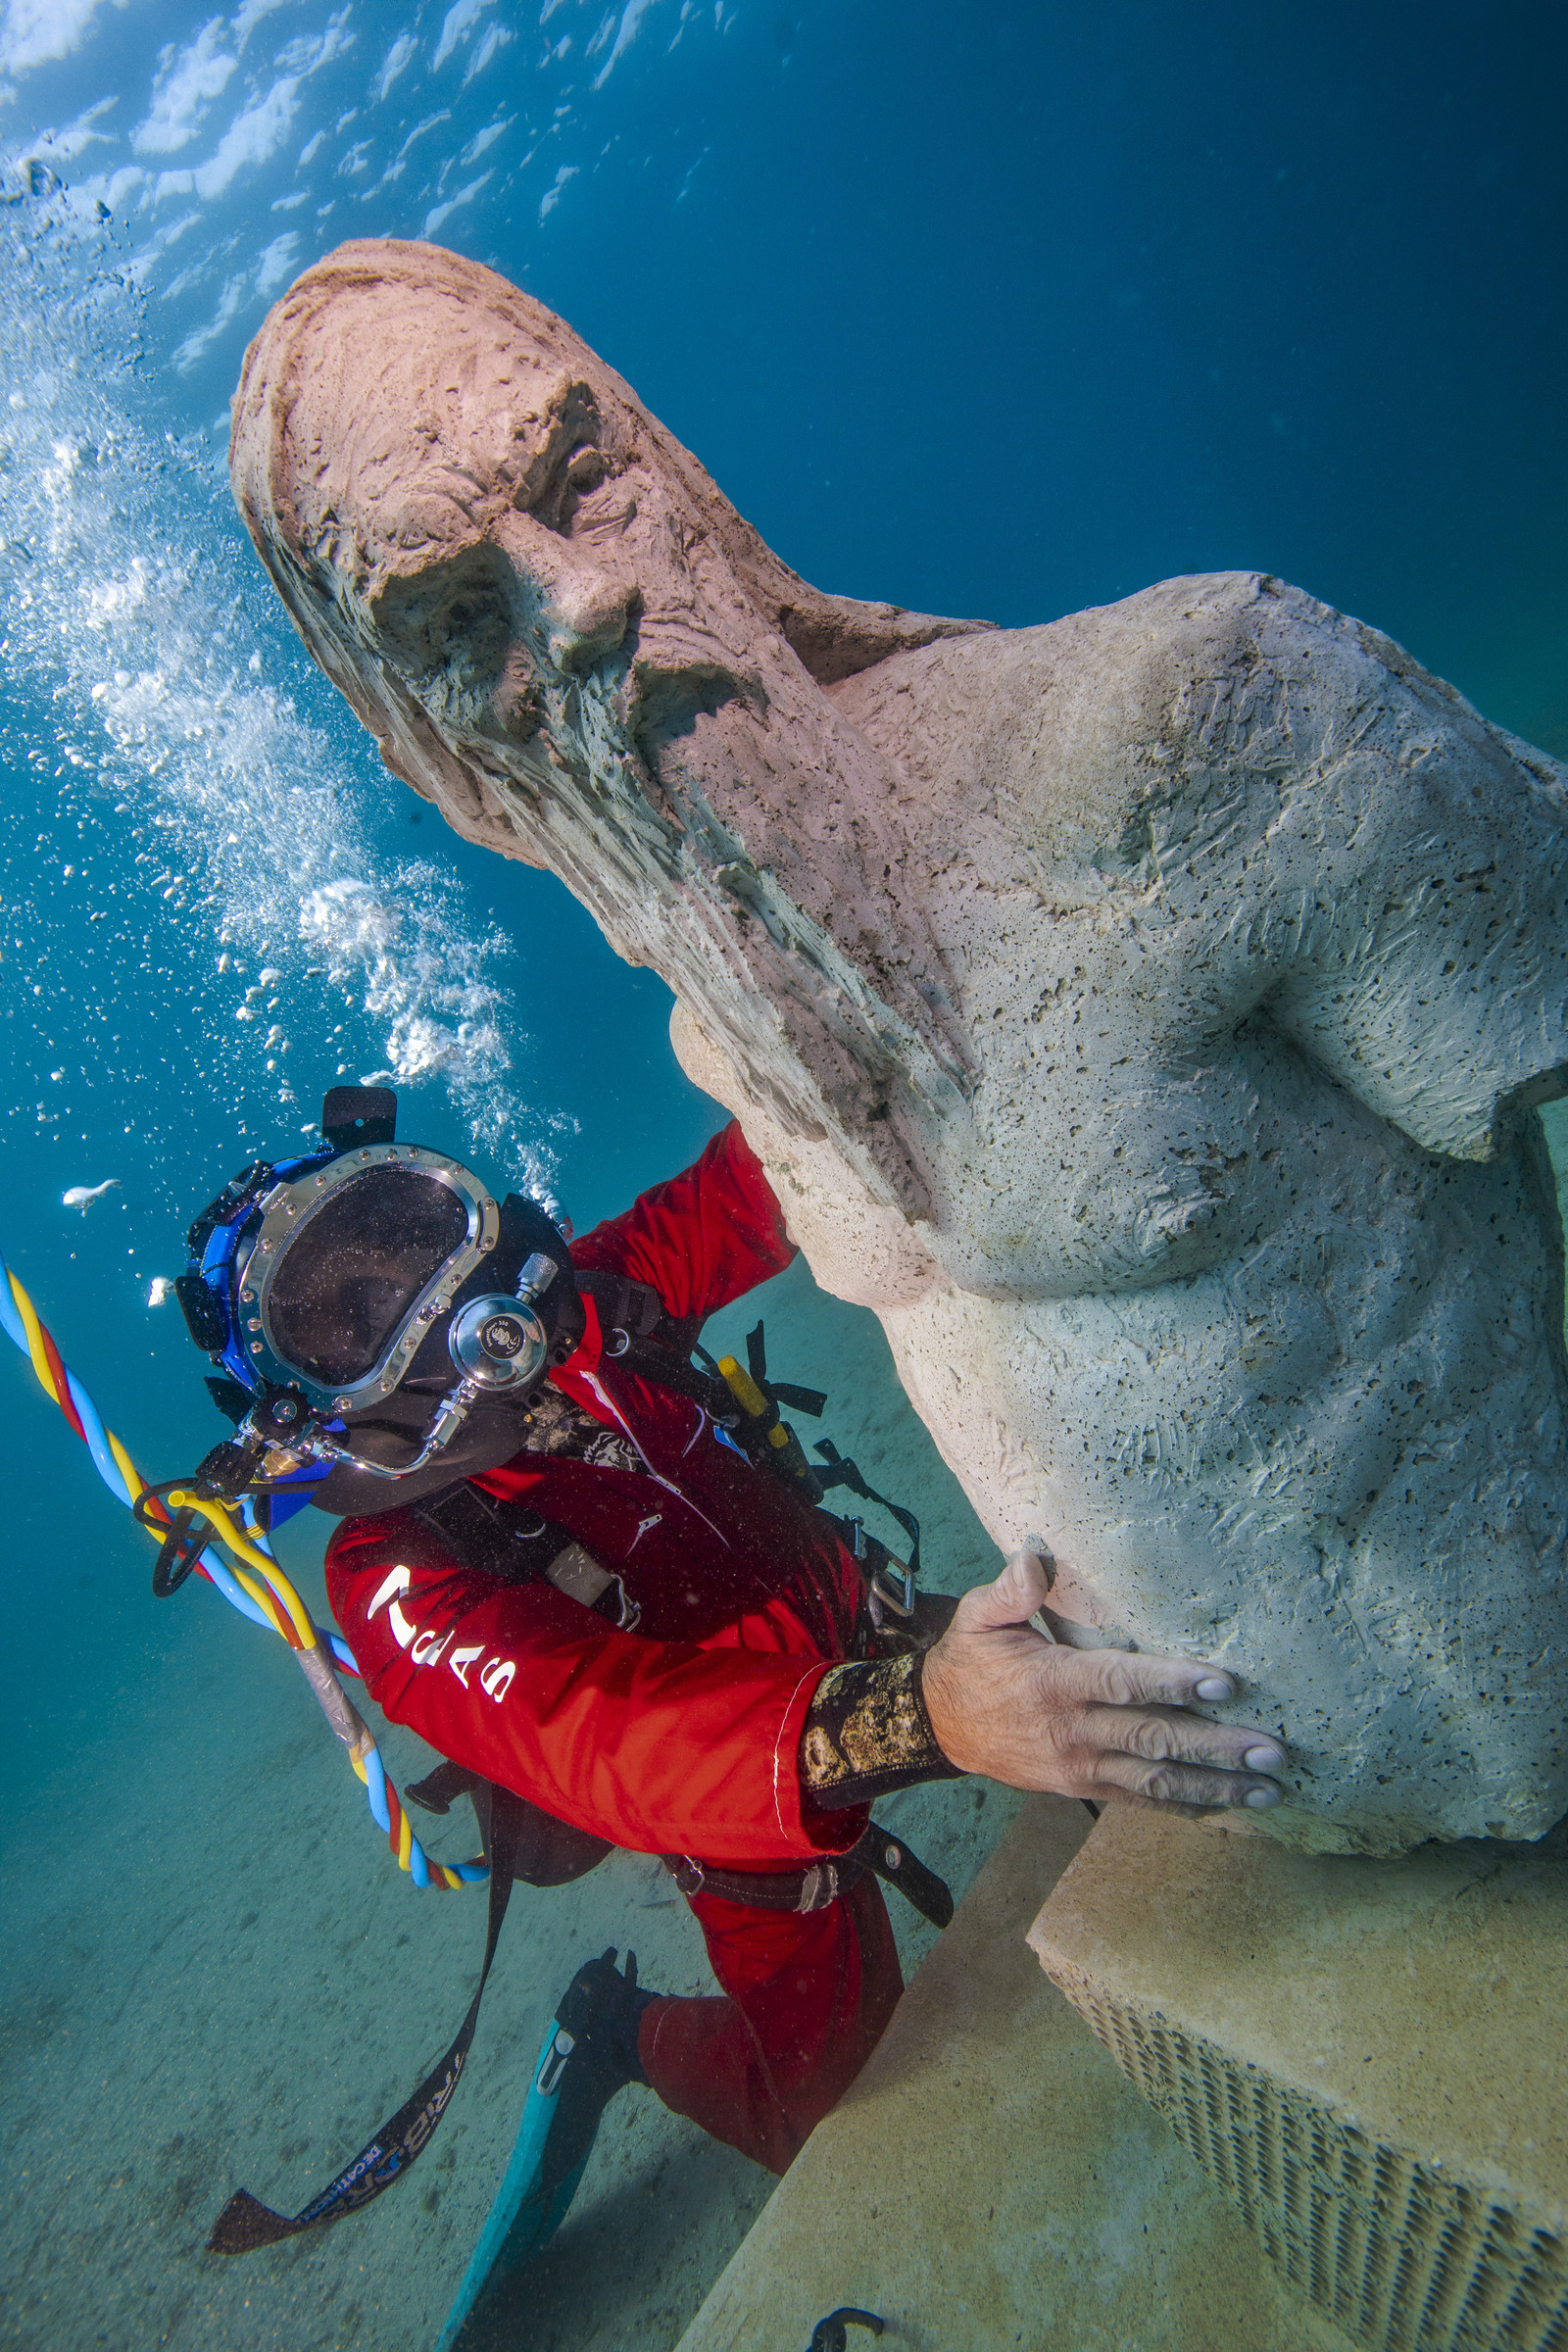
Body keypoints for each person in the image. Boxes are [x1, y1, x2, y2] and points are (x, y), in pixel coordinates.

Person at [174, 1086, 1287, 2246]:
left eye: (417, 1232)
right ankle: (619, 2027)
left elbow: (761, 1183)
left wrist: (851, 1074)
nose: (445, 1307)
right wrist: (929, 1719)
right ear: (306, 1407)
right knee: (822, 2112)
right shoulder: (394, 1566)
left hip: (871, 1620)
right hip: (742, 1814)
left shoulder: (596, 1300)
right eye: (351, 1322)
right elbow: (595, 1731)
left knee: (1134, 1698)